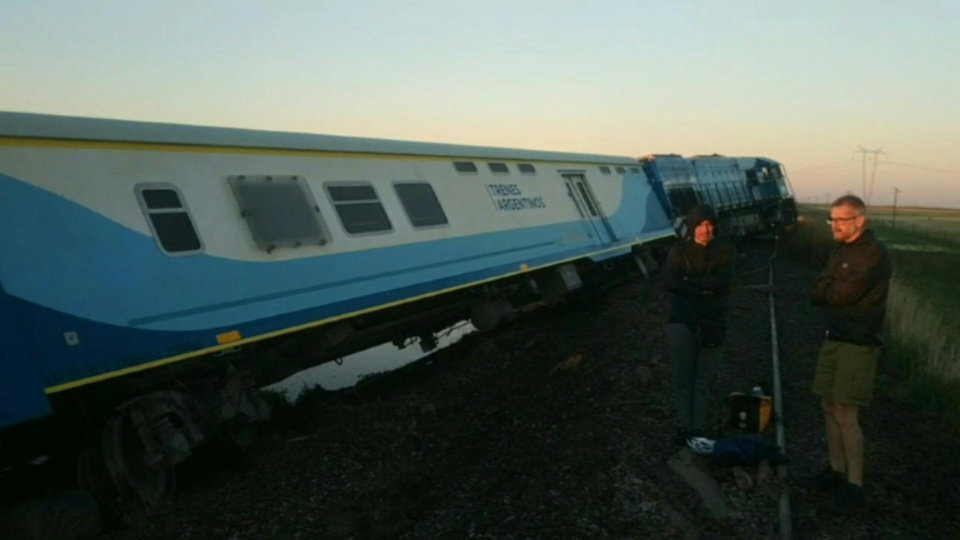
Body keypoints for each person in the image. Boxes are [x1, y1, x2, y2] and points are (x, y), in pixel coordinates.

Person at [808, 194, 891, 514]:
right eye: (832, 220)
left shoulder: (873, 254)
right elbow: (818, 290)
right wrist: (827, 289)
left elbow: (841, 293)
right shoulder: (841, 249)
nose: (835, 225)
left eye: (841, 220)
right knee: (828, 404)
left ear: (860, 220)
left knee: (846, 412)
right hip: (836, 335)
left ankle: (854, 485)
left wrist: (827, 289)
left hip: (858, 341)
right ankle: (835, 469)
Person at [663, 205, 736, 445]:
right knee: (683, 378)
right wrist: (705, 286)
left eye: (710, 224)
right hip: (681, 321)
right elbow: (671, 282)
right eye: (700, 224)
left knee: (704, 379)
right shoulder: (678, 250)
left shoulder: (725, 250)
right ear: (692, 226)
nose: (706, 229)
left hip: (712, 322)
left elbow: (722, 283)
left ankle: (699, 426)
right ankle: (684, 425)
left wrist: (690, 281)